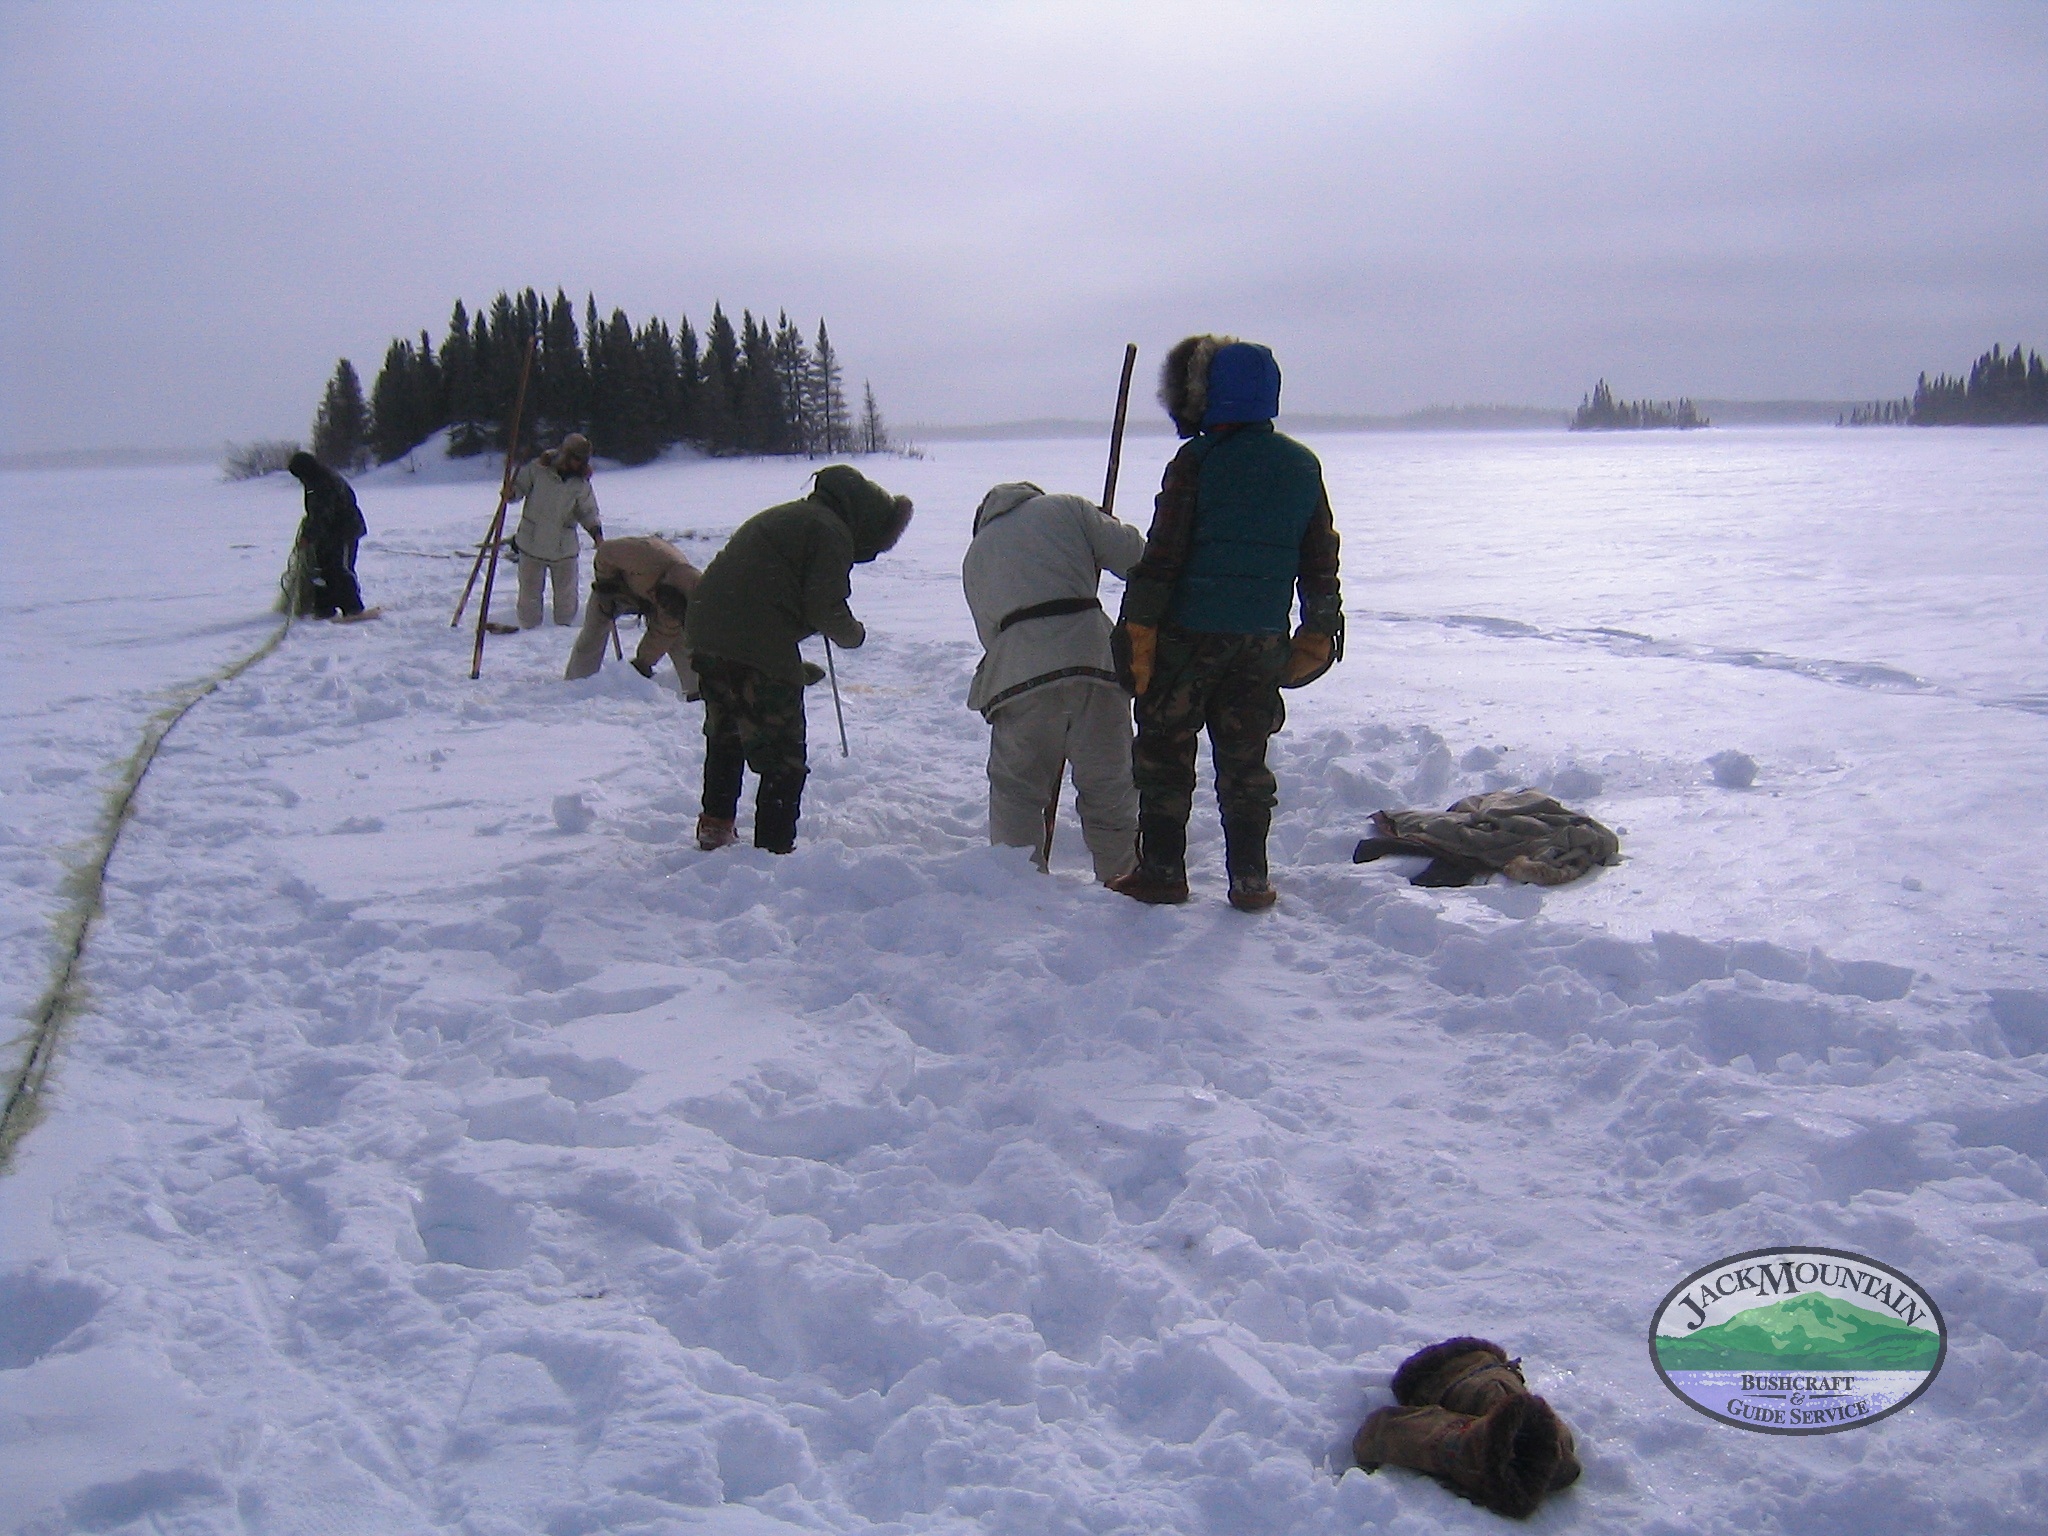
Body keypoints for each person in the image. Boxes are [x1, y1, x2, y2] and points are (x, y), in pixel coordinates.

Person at [1109, 336, 1343, 911]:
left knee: (1165, 752)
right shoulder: (1301, 465)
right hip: (1260, 641)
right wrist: (1319, 626)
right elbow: (1319, 559)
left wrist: (1138, 628)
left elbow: (1162, 556)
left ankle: (1163, 871)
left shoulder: (1197, 461)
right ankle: (1250, 880)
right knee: (1246, 761)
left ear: (1206, 394)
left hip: (1187, 638)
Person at [684, 465, 913, 854]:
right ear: (867, 520)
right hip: (751, 640)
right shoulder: (831, 531)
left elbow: (766, 589)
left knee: (727, 732)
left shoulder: (786, 516)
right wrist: (852, 635)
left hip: (706, 631)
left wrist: (785, 664)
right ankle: (774, 848)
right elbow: (823, 606)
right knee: (783, 754)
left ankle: (715, 826)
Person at [962, 481, 1146, 882]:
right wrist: (1102, 526)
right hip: (1092, 661)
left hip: (1018, 677)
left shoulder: (974, 556)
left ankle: (1019, 884)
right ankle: (1123, 878)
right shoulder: (1067, 509)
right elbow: (1136, 557)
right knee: (1109, 784)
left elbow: (991, 636)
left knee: (1017, 792)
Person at [563, 535, 702, 687]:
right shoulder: (644, 554)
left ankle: (696, 691)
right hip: (617, 588)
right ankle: (577, 682)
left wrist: (643, 662)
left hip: (645, 596)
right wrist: (606, 584)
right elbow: (606, 552)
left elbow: (662, 633)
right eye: (665, 598)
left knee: (678, 639)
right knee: (595, 629)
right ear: (665, 581)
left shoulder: (677, 602)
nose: (666, 605)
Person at [509, 433, 604, 627]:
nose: (577, 464)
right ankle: (528, 633)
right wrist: (510, 493)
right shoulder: (537, 470)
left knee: (567, 598)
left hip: (564, 549)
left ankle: (564, 633)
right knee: (529, 595)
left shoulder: (580, 483)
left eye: (581, 461)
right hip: (531, 544)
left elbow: (587, 511)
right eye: (575, 458)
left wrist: (597, 534)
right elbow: (518, 488)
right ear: (564, 454)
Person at [286, 451, 374, 620]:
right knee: (321, 569)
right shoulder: (314, 480)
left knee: (339, 569)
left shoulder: (324, 483)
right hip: (328, 532)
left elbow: (321, 514)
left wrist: (308, 536)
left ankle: (353, 608)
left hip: (344, 531)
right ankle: (324, 608)